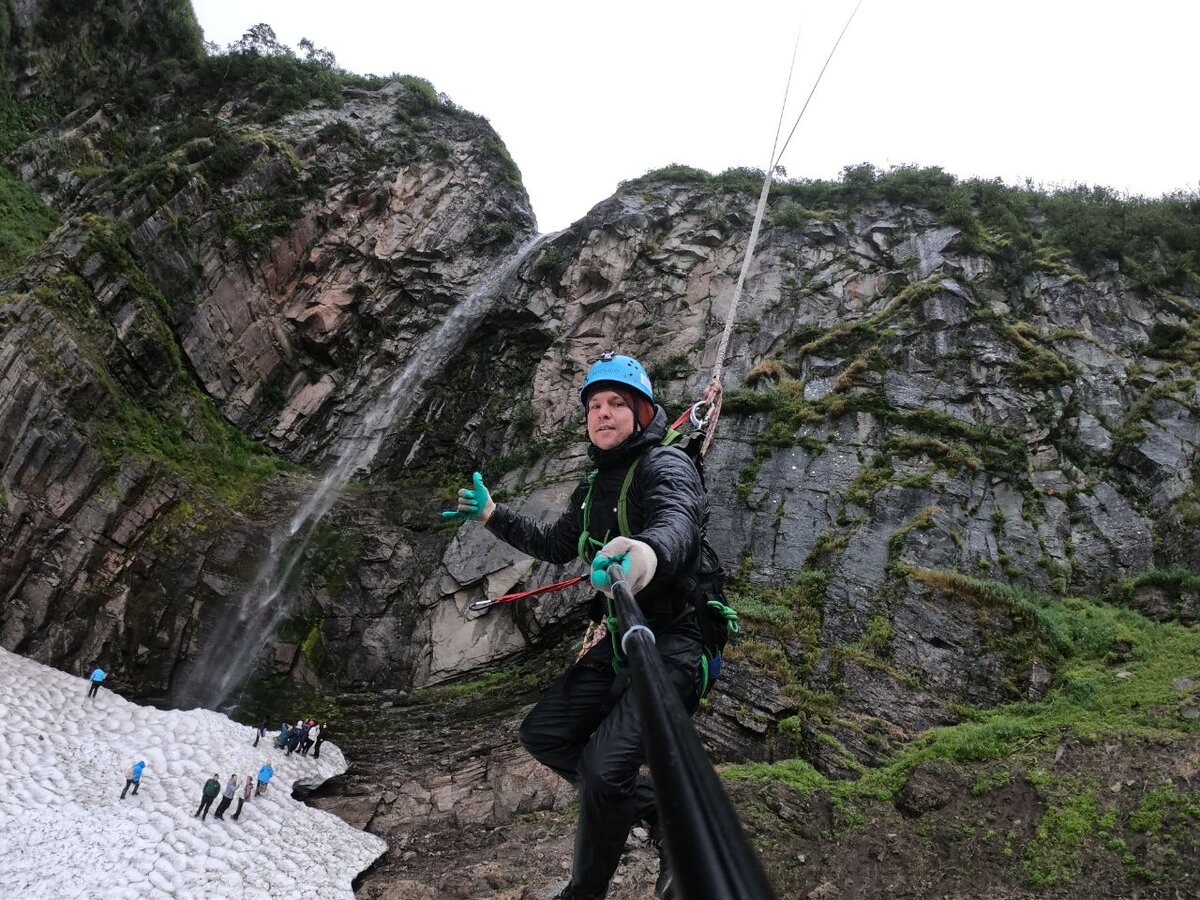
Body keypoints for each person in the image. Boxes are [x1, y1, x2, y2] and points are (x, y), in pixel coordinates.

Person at [444, 352, 718, 900]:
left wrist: (642, 555)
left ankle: (593, 887)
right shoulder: (594, 487)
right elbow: (557, 545)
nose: (604, 413)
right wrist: (492, 514)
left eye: (618, 403)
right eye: (595, 405)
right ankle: (659, 809)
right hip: (624, 640)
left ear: (644, 412)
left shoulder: (666, 464)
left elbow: (678, 520)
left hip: (681, 638)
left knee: (601, 769)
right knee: (543, 734)